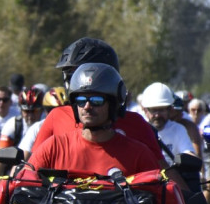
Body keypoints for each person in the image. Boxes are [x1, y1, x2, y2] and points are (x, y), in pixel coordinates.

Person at [33, 37, 164, 166]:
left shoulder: (136, 123)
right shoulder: (57, 116)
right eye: (70, 75)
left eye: (81, 73)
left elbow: (162, 174)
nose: (87, 107)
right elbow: (31, 169)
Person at [138, 83, 196, 160]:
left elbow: (188, 153)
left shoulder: (178, 130)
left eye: (161, 110)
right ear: (146, 111)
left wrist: (189, 159)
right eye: (154, 110)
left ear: (169, 109)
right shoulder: (139, 131)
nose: (157, 115)